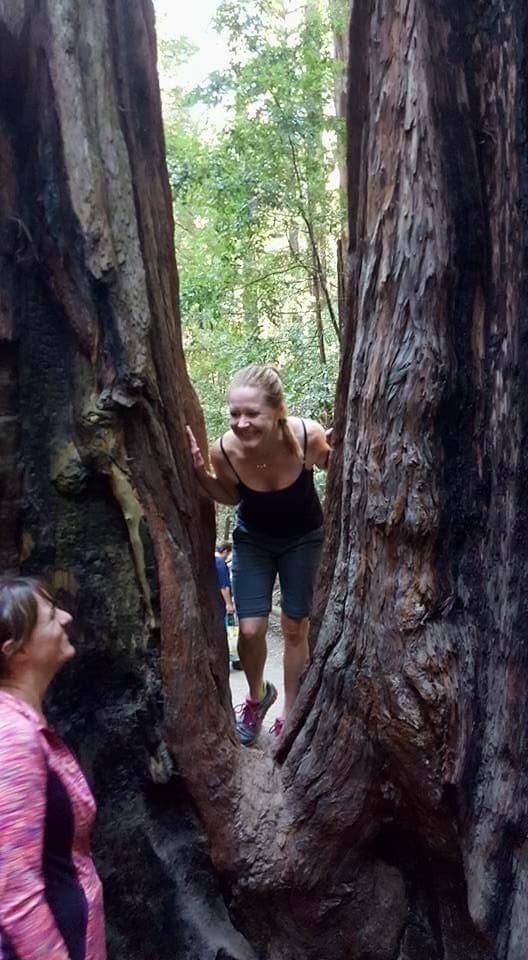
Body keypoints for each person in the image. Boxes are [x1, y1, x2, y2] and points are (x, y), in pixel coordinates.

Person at [187, 364, 330, 745]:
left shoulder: (307, 435)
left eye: (253, 414)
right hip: (254, 541)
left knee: (295, 627)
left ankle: (293, 711)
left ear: (277, 411)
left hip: (303, 538)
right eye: (235, 413)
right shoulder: (225, 451)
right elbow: (232, 497)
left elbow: (336, 463)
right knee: (250, 630)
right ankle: (257, 696)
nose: (242, 423)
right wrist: (202, 475)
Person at [0, 576, 106, 960]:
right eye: (49, 617)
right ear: (16, 651)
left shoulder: (24, 724)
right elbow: (15, 893)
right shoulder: (11, 737)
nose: (66, 616)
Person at [215, 541, 235, 619]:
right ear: (225, 551)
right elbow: (224, 585)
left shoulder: (212, 559)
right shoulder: (220, 562)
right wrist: (229, 604)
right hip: (219, 600)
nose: (227, 557)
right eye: (228, 554)